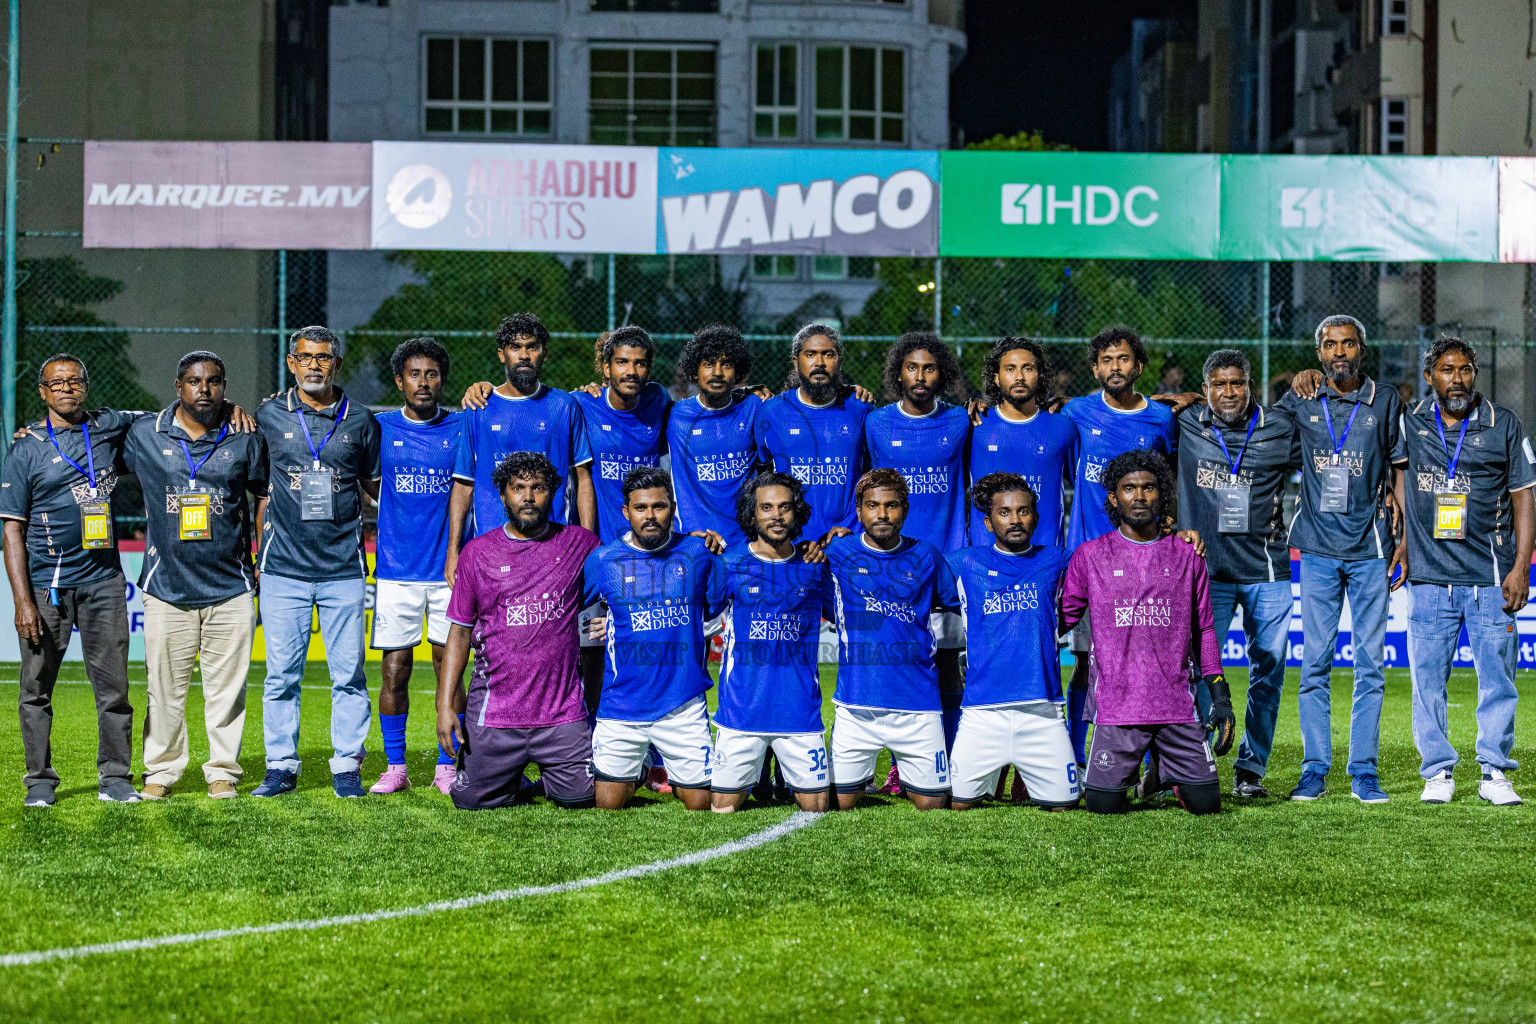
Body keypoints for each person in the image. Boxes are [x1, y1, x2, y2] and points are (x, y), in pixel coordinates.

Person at [1396, 338, 1535, 806]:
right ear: (1429, 376)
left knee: (1498, 678)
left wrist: (1521, 566)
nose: (1458, 379)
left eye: (1466, 370)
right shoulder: (1410, 422)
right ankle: (1437, 771)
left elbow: (1524, 497)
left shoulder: (1504, 424)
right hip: (1431, 579)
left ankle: (1494, 770)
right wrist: (1401, 539)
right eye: (1447, 370)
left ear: (1475, 373)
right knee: (1428, 681)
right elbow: (1394, 477)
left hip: (1490, 577)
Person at [125, 351, 268, 801]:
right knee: (163, 689)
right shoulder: (144, 434)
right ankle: (161, 770)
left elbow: (263, 493)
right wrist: (36, 434)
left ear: (224, 386)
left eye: (213, 382)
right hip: (167, 588)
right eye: (193, 381)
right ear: (178, 386)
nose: (203, 389)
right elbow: (91, 425)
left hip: (230, 587)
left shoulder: (246, 435)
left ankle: (222, 770)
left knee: (226, 691)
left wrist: (261, 549)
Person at [1, 355, 143, 806]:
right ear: (42, 392)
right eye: (55, 383)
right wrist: (23, 602)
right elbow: (11, 529)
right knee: (36, 689)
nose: (66, 389)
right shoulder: (25, 448)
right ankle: (40, 780)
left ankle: (116, 778)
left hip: (103, 583)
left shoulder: (107, 427)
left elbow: (170, 418)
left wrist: (232, 408)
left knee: (114, 689)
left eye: (74, 381)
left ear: (86, 386)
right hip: (48, 588)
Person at [1060, 450, 1230, 816]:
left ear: (1161, 494)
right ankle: (1146, 773)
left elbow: (1204, 628)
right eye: (1129, 488)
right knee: (1101, 808)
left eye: (1149, 488)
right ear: (1113, 496)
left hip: (1177, 707)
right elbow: (1063, 619)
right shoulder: (1090, 556)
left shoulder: (1188, 554)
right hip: (1118, 709)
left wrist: (1220, 692)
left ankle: (1164, 773)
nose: (1139, 497)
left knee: (1207, 806)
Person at [1281, 314, 1407, 805]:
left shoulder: (1386, 399)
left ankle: (1363, 770)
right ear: (1318, 354)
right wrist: (1293, 384)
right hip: (1315, 548)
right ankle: (1314, 768)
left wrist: (1404, 540)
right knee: (1314, 663)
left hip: (1372, 548)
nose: (1339, 352)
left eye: (1348, 344)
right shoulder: (1303, 397)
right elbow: (1258, 428)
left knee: (1370, 666)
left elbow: (1400, 469)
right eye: (1330, 345)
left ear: (1362, 349)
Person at [253, 326, 382, 799]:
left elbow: (374, 485)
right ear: (291, 364)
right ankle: (280, 766)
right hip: (283, 567)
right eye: (305, 357)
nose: (313, 365)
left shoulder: (362, 420)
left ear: (337, 364)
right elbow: (256, 485)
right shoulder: (266, 415)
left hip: (344, 569)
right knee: (281, 675)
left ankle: (346, 765)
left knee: (347, 674)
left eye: (323, 358)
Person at [439, 452, 602, 810]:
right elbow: (460, 633)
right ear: (503, 495)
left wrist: (691, 541)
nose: (528, 497)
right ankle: (505, 772)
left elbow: (629, 570)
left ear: (554, 493)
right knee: (470, 801)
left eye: (538, 488)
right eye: (518, 488)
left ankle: (541, 779)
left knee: (586, 797)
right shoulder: (476, 553)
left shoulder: (581, 545)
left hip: (561, 714)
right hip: (496, 714)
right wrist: (444, 705)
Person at [1175, 349, 1296, 799]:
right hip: (1207, 573)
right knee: (1194, 669)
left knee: (1269, 670)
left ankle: (1251, 770)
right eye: (1219, 384)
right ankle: (1199, 759)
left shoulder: (1280, 428)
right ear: (1205, 389)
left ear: (1251, 385)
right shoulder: (1186, 422)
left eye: (1238, 383)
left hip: (1267, 570)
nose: (1229, 392)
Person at [1060, 325, 1179, 766]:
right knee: (1087, 664)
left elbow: (1169, 479)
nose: (1116, 367)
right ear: (1095, 368)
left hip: (1143, 563)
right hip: (1089, 565)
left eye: (1123, 359)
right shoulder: (1075, 413)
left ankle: (1153, 765)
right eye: (1107, 360)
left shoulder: (1161, 419)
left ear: (1139, 365)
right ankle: (1075, 757)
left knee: (1146, 663)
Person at [582, 467, 726, 810]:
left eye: (659, 507)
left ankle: (660, 765)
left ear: (672, 508)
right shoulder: (603, 560)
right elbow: (584, 615)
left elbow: (713, 611)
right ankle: (643, 763)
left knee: (702, 804)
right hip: (621, 706)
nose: (650, 516)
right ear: (626, 512)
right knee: (607, 806)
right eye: (641, 508)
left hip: (683, 705)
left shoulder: (698, 553)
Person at [862, 332, 970, 777]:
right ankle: (895, 764)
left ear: (941, 373)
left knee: (947, 665)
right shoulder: (876, 423)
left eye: (929, 368)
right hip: (891, 563)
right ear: (898, 373)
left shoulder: (963, 421)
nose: (920, 376)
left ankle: (946, 756)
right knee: (896, 662)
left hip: (945, 560)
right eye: (912, 367)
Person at [824, 468, 958, 811]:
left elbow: (956, 604)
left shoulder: (927, 556)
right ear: (859, 512)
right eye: (873, 506)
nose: (882, 514)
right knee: (838, 802)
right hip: (856, 704)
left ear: (906, 509)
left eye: (892, 505)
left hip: (918, 704)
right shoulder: (837, 554)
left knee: (933, 806)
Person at [369, 337, 466, 796]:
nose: (423, 382)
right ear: (399, 381)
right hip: (394, 570)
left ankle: (449, 766)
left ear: (442, 379)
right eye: (414, 374)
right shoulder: (380, 427)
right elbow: (370, 481)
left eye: (431, 374)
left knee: (450, 668)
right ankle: (395, 765)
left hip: (449, 572)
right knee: (395, 670)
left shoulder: (465, 426)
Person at [947, 473, 1079, 810]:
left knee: (1064, 805)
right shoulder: (965, 563)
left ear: (1036, 518)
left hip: (1042, 710)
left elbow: (1111, 561)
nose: (1015, 520)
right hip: (981, 711)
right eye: (1004, 513)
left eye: (1023, 511)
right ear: (989, 523)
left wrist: (1174, 535)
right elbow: (908, 571)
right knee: (958, 805)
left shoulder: (1059, 560)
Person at [710, 471, 834, 813]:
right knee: (721, 808)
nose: (776, 515)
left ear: (797, 514)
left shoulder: (815, 567)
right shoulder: (729, 564)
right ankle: (762, 771)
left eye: (785, 507)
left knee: (818, 807)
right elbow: (696, 616)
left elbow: (847, 617)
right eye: (766, 507)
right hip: (741, 712)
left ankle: (777, 772)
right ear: (752, 515)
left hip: (799, 713)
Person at [572, 327, 672, 733]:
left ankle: (652, 751)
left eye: (639, 362)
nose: (631, 371)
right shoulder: (581, 404)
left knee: (647, 656)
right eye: (622, 362)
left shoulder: (660, 401)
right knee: (590, 655)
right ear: (605, 367)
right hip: (597, 556)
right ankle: (591, 743)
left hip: (647, 554)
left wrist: (753, 391)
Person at [446, 312, 594, 579]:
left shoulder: (564, 406)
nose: (524, 355)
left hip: (554, 549)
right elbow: (464, 483)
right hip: (492, 549)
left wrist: (589, 544)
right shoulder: (478, 407)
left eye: (532, 347)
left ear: (544, 353)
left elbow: (582, 479)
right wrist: (453, 551)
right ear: (502, 354)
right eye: (515, 347)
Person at [756, 323, 875, 542]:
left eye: (828, 355)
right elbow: (760, 472)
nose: (819, 363)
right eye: (810, 354)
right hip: (792, 540)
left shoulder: (861, 408)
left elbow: (872, 475)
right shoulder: (772, 411)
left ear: (839, 361)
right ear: (796, 362)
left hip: (848, 537)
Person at [968, 338, 1076, 548]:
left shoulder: (1063, 427)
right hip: (985, 558)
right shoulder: (975, 425)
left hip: (1045, 557)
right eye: (1010, 369)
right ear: (997, 378)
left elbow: (1086, 487)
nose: (1019, 377)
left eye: (1027, 368)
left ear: (1040, 375)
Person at [667, 324, 765, 546]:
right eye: (709, 364)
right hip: (695, 542)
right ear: (695, 371)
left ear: (738, 372)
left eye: (726, 365)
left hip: (748, 543)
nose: (718, 372)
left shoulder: (755, 408)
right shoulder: (673, 415)